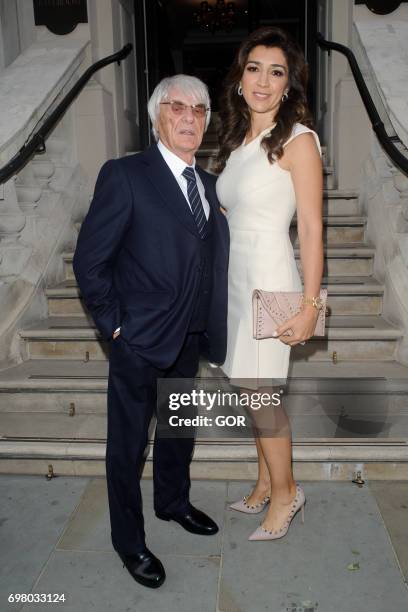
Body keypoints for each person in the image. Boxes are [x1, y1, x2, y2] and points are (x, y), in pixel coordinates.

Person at [73, 75, 229, 587]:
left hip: (189, 338)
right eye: (177, 106)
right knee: (127, 445)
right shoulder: (125, 175)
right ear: (156, 115)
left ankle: (173, 502)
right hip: (138, 340)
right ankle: (130, 541)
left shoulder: (207, 184)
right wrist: (115, 325)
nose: (190, 117)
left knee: (178, 431)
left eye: (200, 109)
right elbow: (91, 262)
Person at [215, 27, 324, 540]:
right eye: (254, 68)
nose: (263, 80)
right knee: (248, 390)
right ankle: (263, 483)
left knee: (263, 397)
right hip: (236, 283)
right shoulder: (238, 142)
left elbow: (312, 227)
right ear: (240, 79)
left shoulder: (298, 140)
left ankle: (287, 495)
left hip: (271, 282)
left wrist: (309, 306)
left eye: (276, 72)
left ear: (288, 85)